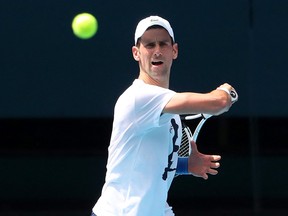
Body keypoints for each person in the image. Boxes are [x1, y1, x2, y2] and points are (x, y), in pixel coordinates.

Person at [91, 15, 238, 216]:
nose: (157, 51)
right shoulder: (138, 97)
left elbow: (155, 164)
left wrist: (187, 165)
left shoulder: (171, 113)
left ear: (174, 50)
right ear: (136, 53)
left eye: (163, 44)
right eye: (149, 45)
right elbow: (218, 103)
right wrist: (226, 93)